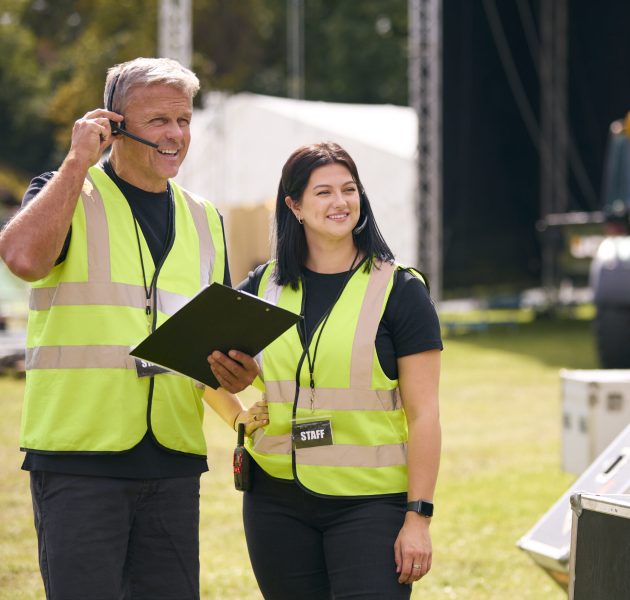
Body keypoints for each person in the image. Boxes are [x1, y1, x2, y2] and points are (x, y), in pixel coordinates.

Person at [0, 57, 264, 599]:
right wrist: (78, 160)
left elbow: (209, 338)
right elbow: (23, 258)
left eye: (184, 120)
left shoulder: (204, 218)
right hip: (79, 457)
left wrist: (235, 375)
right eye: (158, 121)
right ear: (112, 124)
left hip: (172, 461)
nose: (176, 135)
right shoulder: (65, 192)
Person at [208, 142, 443, 598]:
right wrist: (235, 415)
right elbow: (198, 356)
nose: (341, 202)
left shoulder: (401, 291)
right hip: (274, 502)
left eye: (349, 189)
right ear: (293, 205)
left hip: (370, 504)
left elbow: (425, 414)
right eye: (324, 192)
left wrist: (418, 516)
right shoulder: (263, 286)